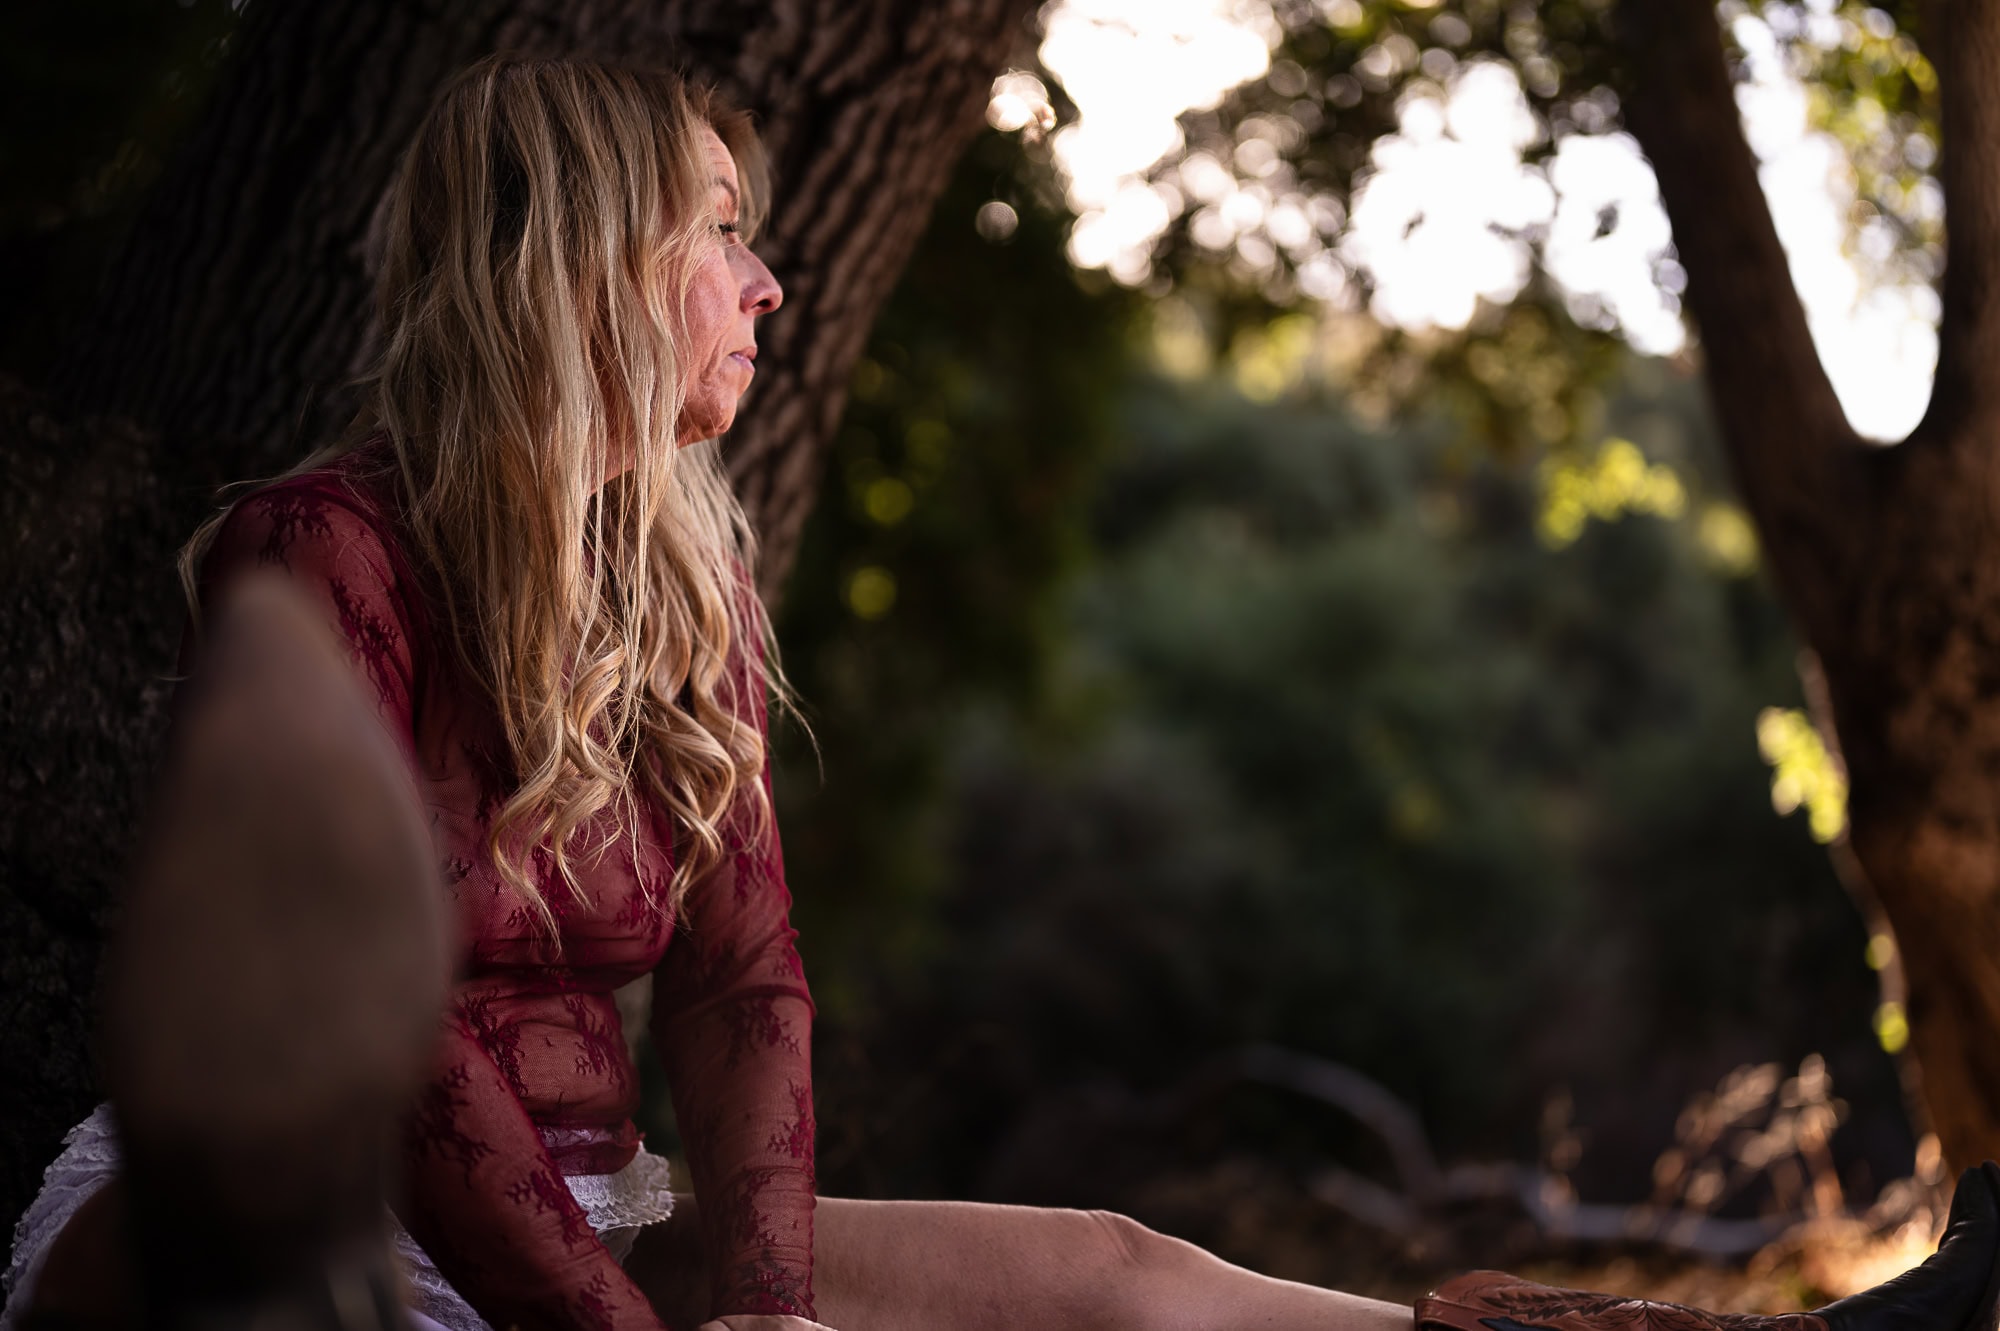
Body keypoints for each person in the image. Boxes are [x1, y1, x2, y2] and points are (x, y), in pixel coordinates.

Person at [5, 52, 2000, 1331]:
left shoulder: (677, 585)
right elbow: (413, 1025)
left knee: (1121, 1281)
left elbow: (741, 984)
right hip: (266, 1239)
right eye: (721, 234)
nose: (766, 282)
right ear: (590, 260)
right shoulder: (323, 554)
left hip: (586, 1216)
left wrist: (763, 1302)